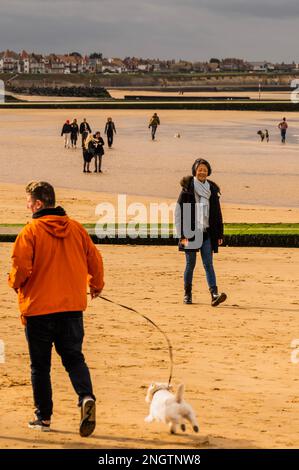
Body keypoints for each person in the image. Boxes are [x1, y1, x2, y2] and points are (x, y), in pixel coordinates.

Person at [8, 181, 104, 437]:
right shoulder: (76, 228)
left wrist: (13, 284)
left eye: (28, 201)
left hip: (40, 308)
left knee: (40, 366)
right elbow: (94, 258)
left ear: (38, 204)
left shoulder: (30, 232)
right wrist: (96, 284)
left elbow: (20, 269)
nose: (27, 205)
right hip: (71, 307)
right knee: (74, 357)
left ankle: (44, 417)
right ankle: (85, 396)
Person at [175, 158, 227, 307]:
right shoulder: (187, 188)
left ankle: (214, 294)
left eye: (205, 169)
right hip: (190, 233)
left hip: (207, 232)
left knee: (208, 264)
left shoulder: (212, 190)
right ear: (195, 171)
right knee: (190, 264)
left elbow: (217, 213)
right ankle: (187, 294)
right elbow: (178, 213)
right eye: (200, 169)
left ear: (208, 172)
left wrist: (219, 234)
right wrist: (181, 236)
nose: (202, 171)